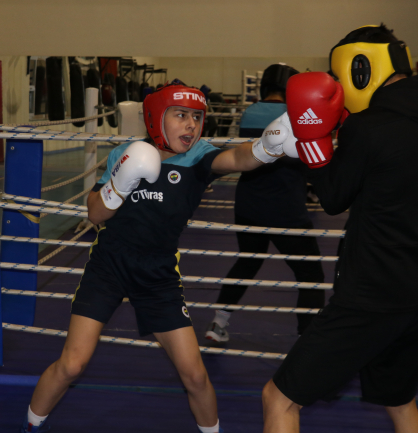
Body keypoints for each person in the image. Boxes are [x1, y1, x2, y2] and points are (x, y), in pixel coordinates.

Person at [19, 80, 295, 433]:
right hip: (108, 268)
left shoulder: (200, 157)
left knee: (195, 375)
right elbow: (95, 214)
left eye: (197, 117)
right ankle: (30, 425)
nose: (191, 125)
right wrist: (119, 185)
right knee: (72, 364)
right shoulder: (126, 153)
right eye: (180, 115)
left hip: (158, 275)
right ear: (156, 117)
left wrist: (267, 147)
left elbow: (239, 158)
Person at [261, 25, 418, 432]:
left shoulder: (368, 126)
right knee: (400, 403)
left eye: (339, 76)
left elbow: (333, 198)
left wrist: (313, 143)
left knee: (278, 399)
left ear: (360, 68)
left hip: (372, 292)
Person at [205, 64, 325, 343]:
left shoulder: (250, 112)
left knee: (247, 263)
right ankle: (308, 338)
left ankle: (218, 324)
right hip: (286, 208)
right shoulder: (297, 115)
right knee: (310, 273)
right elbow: (308, 159)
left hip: (249, 204)